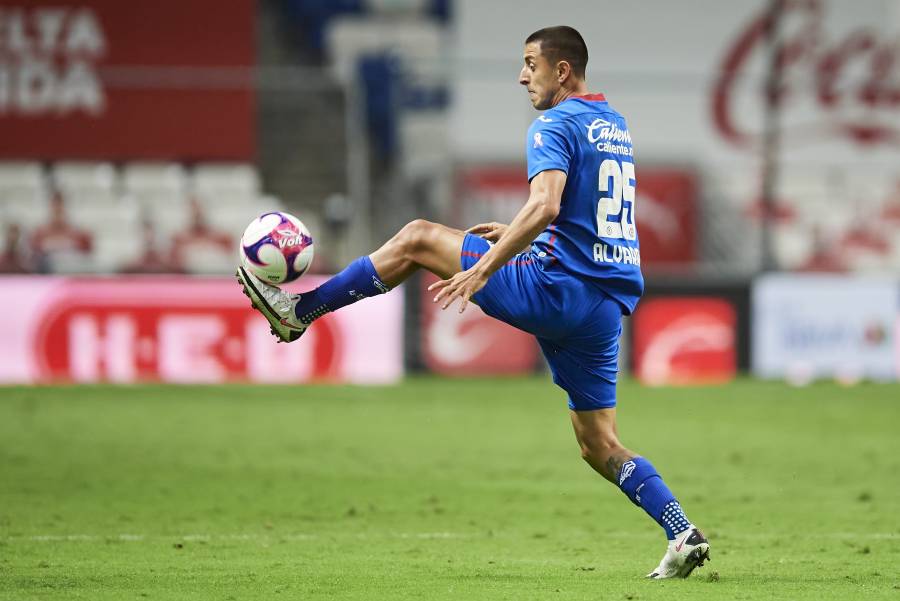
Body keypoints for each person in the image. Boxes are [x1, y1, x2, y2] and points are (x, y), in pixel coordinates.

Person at [237, 25, 710, 579]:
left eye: (531, 63)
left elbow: (548, 206)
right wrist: (513, 231)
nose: (521, 75)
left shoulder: (552, 123)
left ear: (562, 71)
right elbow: (588, 211)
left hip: (555, 290)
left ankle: (299, 312)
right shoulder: (613, 125)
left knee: (416, 238)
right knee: (597, 443)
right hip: (602, 305)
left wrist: (487, 265)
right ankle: (680, 531)